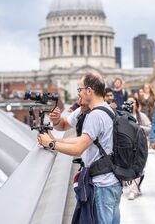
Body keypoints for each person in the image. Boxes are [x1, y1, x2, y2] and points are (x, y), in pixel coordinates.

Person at [38, 72, 122, 224]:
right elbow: (82, 140)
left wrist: (50, 144)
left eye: (80, 89)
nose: (78, 94)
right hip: (113, 181)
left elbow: (78, 149)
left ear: (89, 90)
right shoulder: (107, 110)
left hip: (102, 185)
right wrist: (56, 139)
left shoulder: (95, 116)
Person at [126, 95, 151, 200]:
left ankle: (135, 189)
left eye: (133, 102)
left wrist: (138, 127)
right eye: (128, 102)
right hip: (128, 145)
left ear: (137, 104)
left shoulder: (142, 116)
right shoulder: (124, 116)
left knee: (141, 167)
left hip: (141, 145)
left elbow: (150, 129)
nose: (130, 105)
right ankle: (133, 189)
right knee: (131, 167)